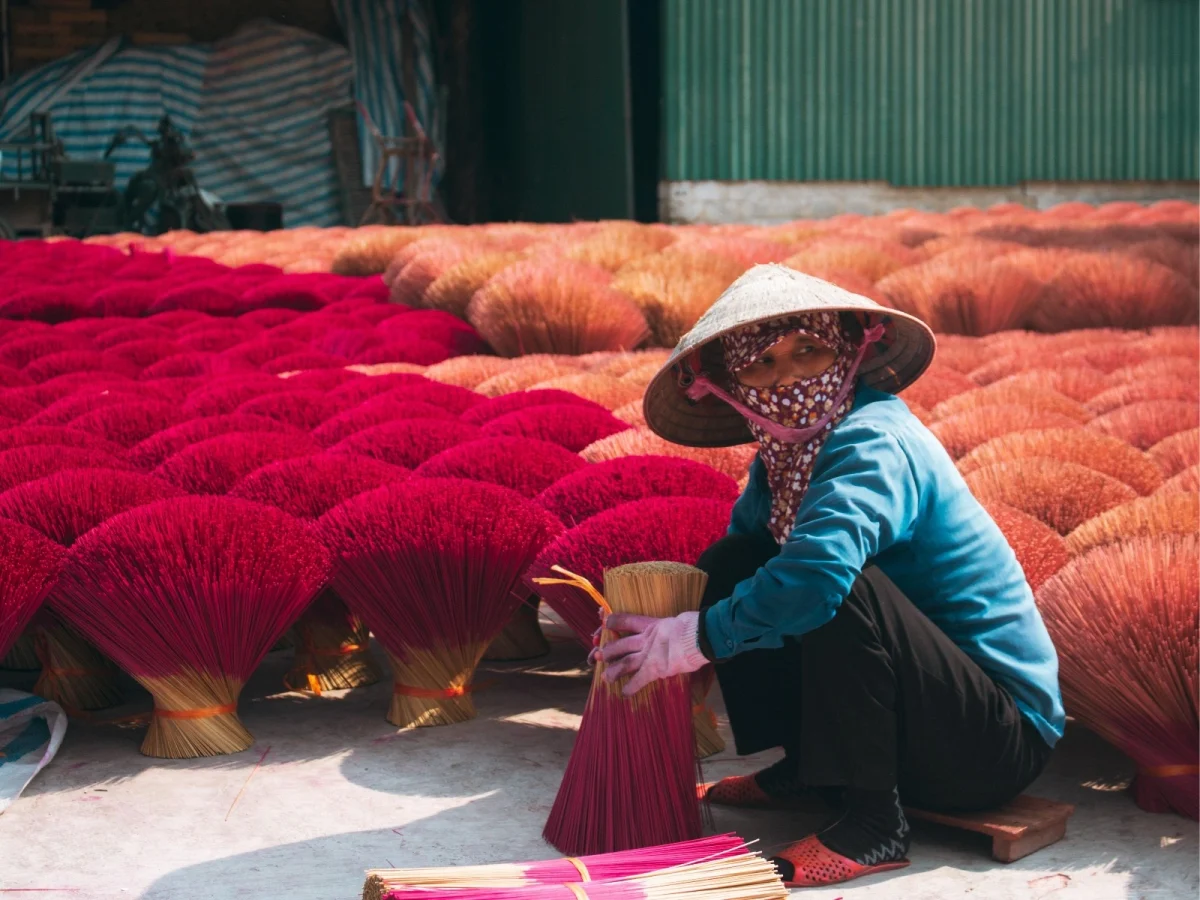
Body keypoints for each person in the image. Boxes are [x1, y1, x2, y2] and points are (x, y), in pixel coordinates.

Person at [598, 264, 1064, 889]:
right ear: (729, 386)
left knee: (833, 583)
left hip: (990, 743)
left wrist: (695, 640)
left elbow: (817, 579)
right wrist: (677, 639)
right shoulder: (785, 456)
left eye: (809, 351)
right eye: (761, 365)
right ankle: (811, 769)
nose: (789, 378)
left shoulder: (872, 439)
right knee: (734, 565)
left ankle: (874, 827)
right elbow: (747, 561)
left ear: (851, 348)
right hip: (919, 723)